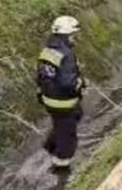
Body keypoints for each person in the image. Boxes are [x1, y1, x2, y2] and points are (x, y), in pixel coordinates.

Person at [36, 15, 85, 172]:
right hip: (63, 103)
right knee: (68, 138)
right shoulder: (66, 55)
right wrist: (81, 83)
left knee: (75, 115)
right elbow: (67, 84)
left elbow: (40, 76)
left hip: (49, 100)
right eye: (73, 36)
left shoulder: (47, 50)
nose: (74, 39)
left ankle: (50, 145)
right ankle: (61, 167)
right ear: (66, 35)